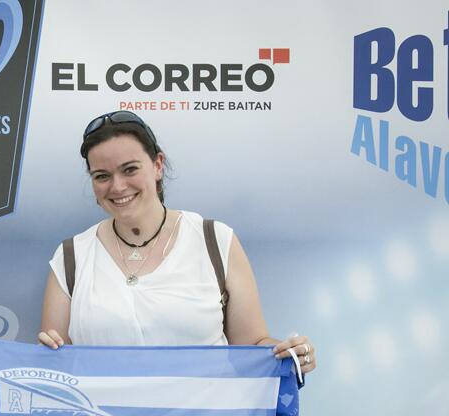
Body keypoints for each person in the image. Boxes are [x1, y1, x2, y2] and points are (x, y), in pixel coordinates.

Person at [38, 110, 317, 374]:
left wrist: (290, 354)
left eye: (130, 169)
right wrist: (46, 354)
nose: (118, 186)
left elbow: (253, 347)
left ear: (157, 165)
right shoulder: (71, 256)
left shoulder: (215, 240)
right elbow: (59, 365)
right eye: (102, 176)